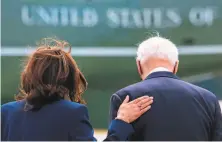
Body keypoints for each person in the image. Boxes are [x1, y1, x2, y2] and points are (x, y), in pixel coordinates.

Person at [1, 38, 154, 141]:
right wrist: (122, 121)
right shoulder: (73, 113)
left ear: (29, 76)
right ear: (69, 78)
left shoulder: (6, 113)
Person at [109, 36, 222, 141]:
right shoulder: (208, 99)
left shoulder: (125, 98)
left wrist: (121, 121)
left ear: (139, 65)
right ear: (176, 66)